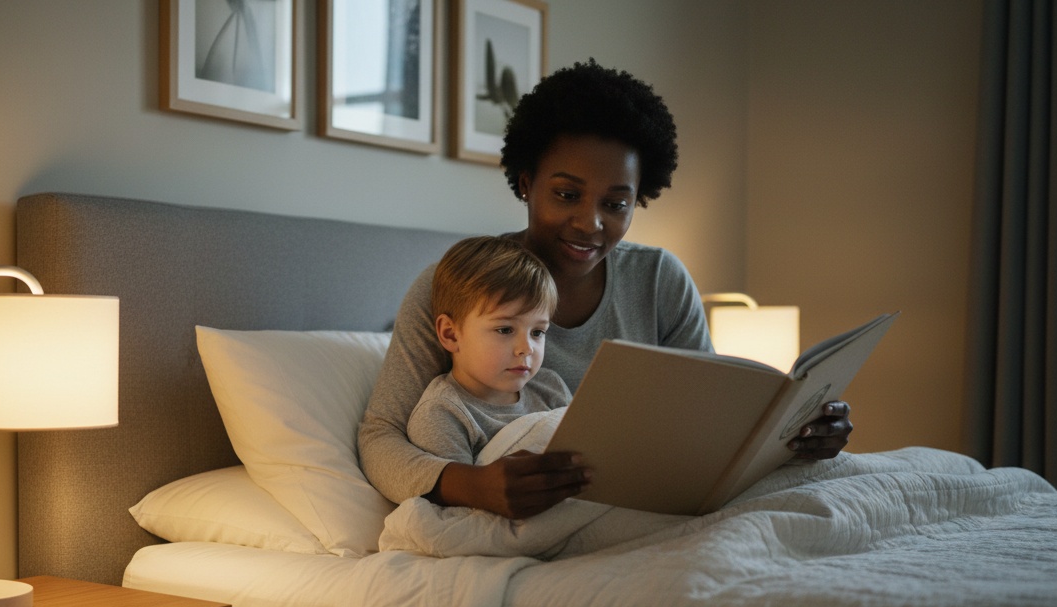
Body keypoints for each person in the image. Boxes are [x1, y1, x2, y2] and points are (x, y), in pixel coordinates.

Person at [359, 59, 853, 520]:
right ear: (526, 183)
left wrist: (795, 438)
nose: (590, 223)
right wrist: (473, 486)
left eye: (617, 204)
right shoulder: (453, 287)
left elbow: (707, 422)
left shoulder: (659, 281)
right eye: (567, 195)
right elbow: (381, 437)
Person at [406, 235, 572, 465]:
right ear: (450, 334)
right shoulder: (442, 415)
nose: (526, 349)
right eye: (505, 330)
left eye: (537, 332)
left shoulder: (551, 388)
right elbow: (461, 497)